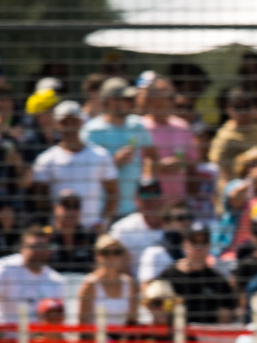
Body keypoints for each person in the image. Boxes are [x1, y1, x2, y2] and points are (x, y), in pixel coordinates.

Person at [31, 102, 117, 229]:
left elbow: (113, 192)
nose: (70, 126)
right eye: (65, 122)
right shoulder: (46, 160)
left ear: (81, 122)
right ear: (56, 125)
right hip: (60, 233)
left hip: (92, 229)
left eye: (74, 121)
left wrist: (103, 222)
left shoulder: (101, 156)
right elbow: (40, 198)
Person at [80, 77, 153, 219]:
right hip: (102, 212)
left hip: (135, 211)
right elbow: (83, 171)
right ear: (110, 101)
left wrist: (147, 183)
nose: (131, 103)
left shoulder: (138, 125)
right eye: (126, 99)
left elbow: (151, 155)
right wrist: (113, 163)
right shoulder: (91, 131)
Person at [0, 225, 64, 324]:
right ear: (23, 247)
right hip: (1, 335)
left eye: (43, 247)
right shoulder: (5, 268)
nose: (39, 251)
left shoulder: (56, 281)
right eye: (35, 247)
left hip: (35, 337)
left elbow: (55, 321)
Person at [155, 227, 237, 324]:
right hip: (176, 334)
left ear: (209, 246)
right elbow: (154, 305)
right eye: (193, 242)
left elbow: (226, 315)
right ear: (184, 245)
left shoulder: (217, 281)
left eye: (203, 242)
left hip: (206, 335)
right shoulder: (168, 276)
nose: (198, 247)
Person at [138, 74, 196, 207]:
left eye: (169, 97)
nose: (166, 101)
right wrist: (159, 166)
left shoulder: (182, 126)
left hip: (177, 204)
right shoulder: (139, 127)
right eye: (161, 96)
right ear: (151, 99)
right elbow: (133, 163)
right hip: (150, 204)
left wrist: (181, 163)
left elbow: (193, 161)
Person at [208, 88, 257, 184]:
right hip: (236, 186)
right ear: (228, 109)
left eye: (246, 107)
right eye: (238, 107)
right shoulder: (225, 136)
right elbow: (220, 168)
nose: (243, 112)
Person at [75, 233, 137, 326]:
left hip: (122, 339)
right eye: (105, 252)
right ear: (97, 256)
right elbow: (83, 324)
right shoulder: (90, 284)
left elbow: (132, 322)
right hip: (96, 338)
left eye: (116, 252)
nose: (111, 257)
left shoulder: (129, 284)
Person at [109, 179, 167, 260]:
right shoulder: (122, 229)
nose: (150, 199)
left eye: (155, 194)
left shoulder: (177, 222)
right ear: (136, 200)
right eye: (144, 195)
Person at [46, 189, 98, 275]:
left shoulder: (89, 236)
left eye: (76, 206)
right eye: (66, 205)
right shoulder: (46, 235)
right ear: (55, 208)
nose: (71, 211)